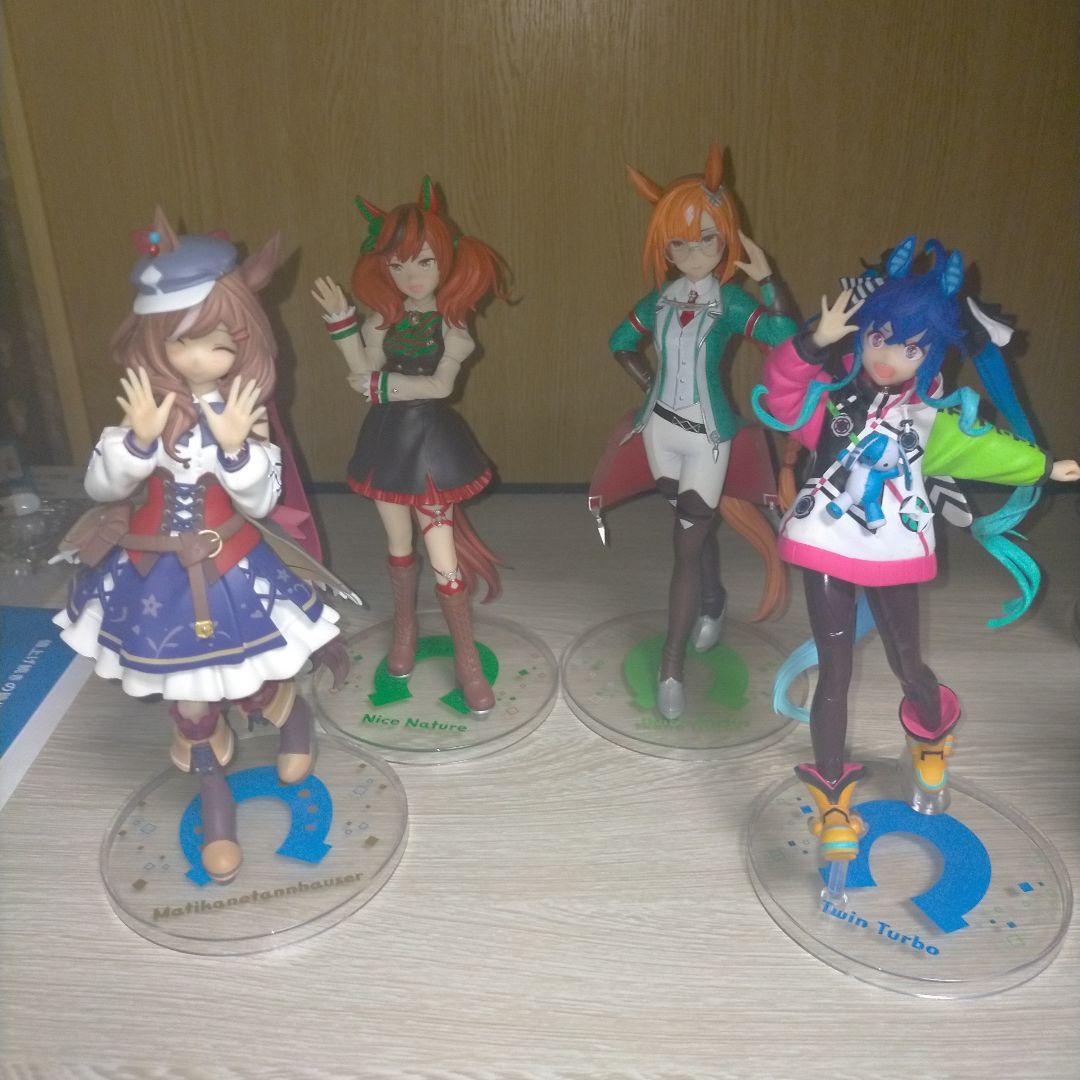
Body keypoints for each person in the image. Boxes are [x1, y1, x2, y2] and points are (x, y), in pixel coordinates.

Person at [754, 236, 1080, 861]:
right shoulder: (831, 400)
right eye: (880, 337)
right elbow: (782, 389)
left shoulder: (930, 421)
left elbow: (984, 448)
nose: (888, 357)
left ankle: (931, 733)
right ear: (863, 334)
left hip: (893, 550)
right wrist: (813, 342)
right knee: (835, 669)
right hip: (825, 541)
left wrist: (1044, 466)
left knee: (908, 660)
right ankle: (832, 799)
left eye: (911, 347)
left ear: (931, 356)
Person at [56, 210, 350, 884]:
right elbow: (102, 485)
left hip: (228, 565)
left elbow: (261, 498)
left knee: (247, 677)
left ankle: (290, 714)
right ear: (152, 341)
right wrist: (137, 440)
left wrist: (239, 447)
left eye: (217, 343)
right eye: (179, 342)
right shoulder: (146, 410)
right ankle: (215, 796)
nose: (196, 359)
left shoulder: (240, 413)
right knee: (189, 700)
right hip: (153, 570)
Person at [603, 143, 796, 719]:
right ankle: (713, 599)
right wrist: (651, 386)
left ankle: (671, 664)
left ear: (725, 238)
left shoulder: (731, 301)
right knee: (692, 531)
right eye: (678, 243)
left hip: (709, 438)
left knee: (684, 545)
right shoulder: (658, 299)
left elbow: (787, 339)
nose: (692, 253)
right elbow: (619, 342)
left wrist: (770, 280)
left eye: (706, 239)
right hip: (660, 433)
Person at [313, 178, 506, 713]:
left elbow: (439, 386)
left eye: (423, 262)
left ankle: (466, 658)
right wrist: (341, 321)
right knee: (398, 546)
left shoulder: (455, 328)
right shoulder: (384, 320)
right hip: (387, 442)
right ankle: (404, 631)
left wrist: (381, 387)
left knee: (443, 556)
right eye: (397, 266)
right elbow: (362, 370)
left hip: (431, 445)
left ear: (447, 262)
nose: (411, 276)